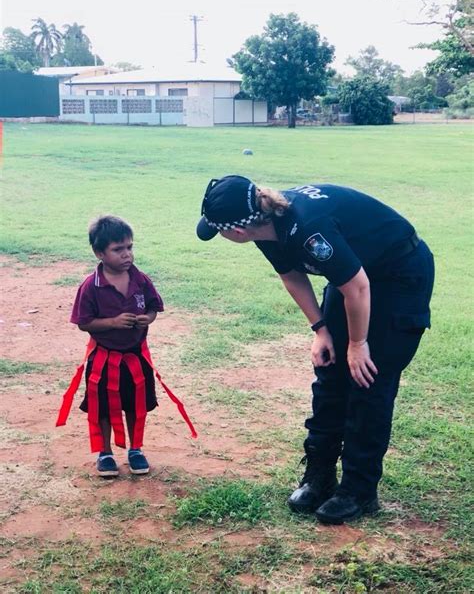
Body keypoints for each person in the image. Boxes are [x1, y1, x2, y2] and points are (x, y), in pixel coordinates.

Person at [196, 175, 434, 524]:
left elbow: (358, 288)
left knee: (368, 378)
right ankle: (319, 477)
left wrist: (357, 343)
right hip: (357, 275)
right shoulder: (266, 226)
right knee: (330, 372)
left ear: (237, 231)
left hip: (398, 275)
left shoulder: (308, 229)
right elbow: (291, 275)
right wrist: (321, 329)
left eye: (219, 230)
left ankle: (359, 490)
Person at [56, 216, 197, 478]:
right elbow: (84, 323)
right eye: (118, 249)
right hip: (103, 360)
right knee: (104, 407)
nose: (126, 255)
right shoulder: (91, 286)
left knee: (136, 405)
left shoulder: (140, 279)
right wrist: (113, 322)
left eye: (129, 247)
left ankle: (136, 449)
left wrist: (148, 318)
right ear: (99, 253)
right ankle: (105, 453)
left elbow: (154, 307)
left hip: (136, 357)